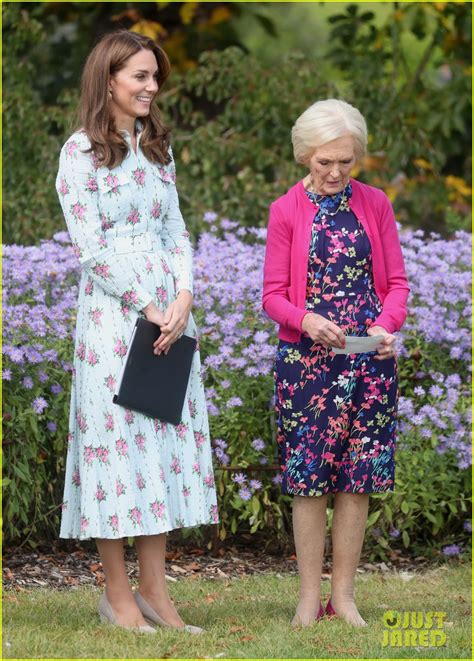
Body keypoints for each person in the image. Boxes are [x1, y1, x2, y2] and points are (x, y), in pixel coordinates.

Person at [56, 30, 218, 634]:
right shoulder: (81, 153)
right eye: (140, 77)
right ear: (109, 80)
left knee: (161, 448)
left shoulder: (157, 149)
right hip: (114, 317)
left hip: (170, 316)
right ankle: (118, 595)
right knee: (116, 451)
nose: (152, 87)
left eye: (155, 77)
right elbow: (90, 248)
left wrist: (182, 297)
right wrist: (146, 303)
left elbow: (176, 231)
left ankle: (156, 589)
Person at [262, 99, 409, 628]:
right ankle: (307, 599)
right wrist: (306, 320)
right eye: (324, 161)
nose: (335, 172)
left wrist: (385, 328)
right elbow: (273, 295)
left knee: (357, 479)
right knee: (308, 481)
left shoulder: (375, 204)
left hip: (368, 364)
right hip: (307, 364)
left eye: (345, 161)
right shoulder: (286, 210)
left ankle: (343, 597)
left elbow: (396, 286)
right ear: (305, 155)